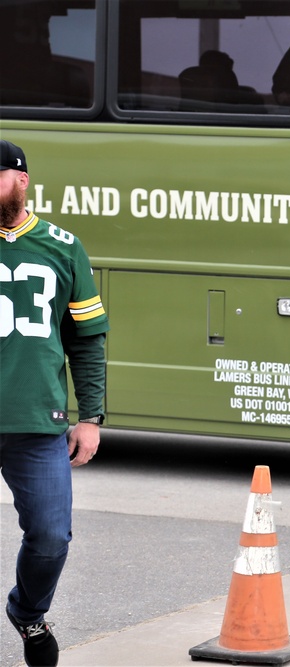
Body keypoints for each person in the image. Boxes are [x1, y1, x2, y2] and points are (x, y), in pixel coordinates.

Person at [0, 139, 109, 666]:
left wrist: (90, 417)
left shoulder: (62, 246)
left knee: (49, 537)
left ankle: (27, 612)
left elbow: (87, 339)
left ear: (21, 180)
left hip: (35, 420)